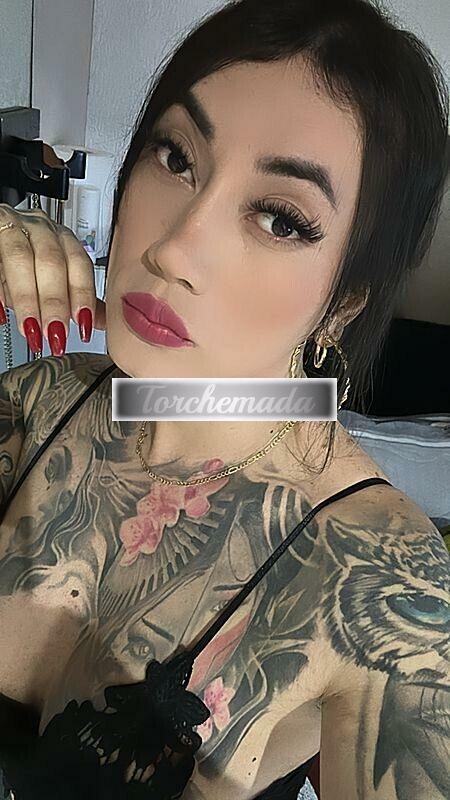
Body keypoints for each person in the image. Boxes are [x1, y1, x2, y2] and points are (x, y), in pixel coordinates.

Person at [0, 0, 449, 798]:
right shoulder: (36, 402)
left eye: (279, 218)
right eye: (176, 156)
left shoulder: (384, 582)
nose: (174, 249)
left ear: (344, 302)